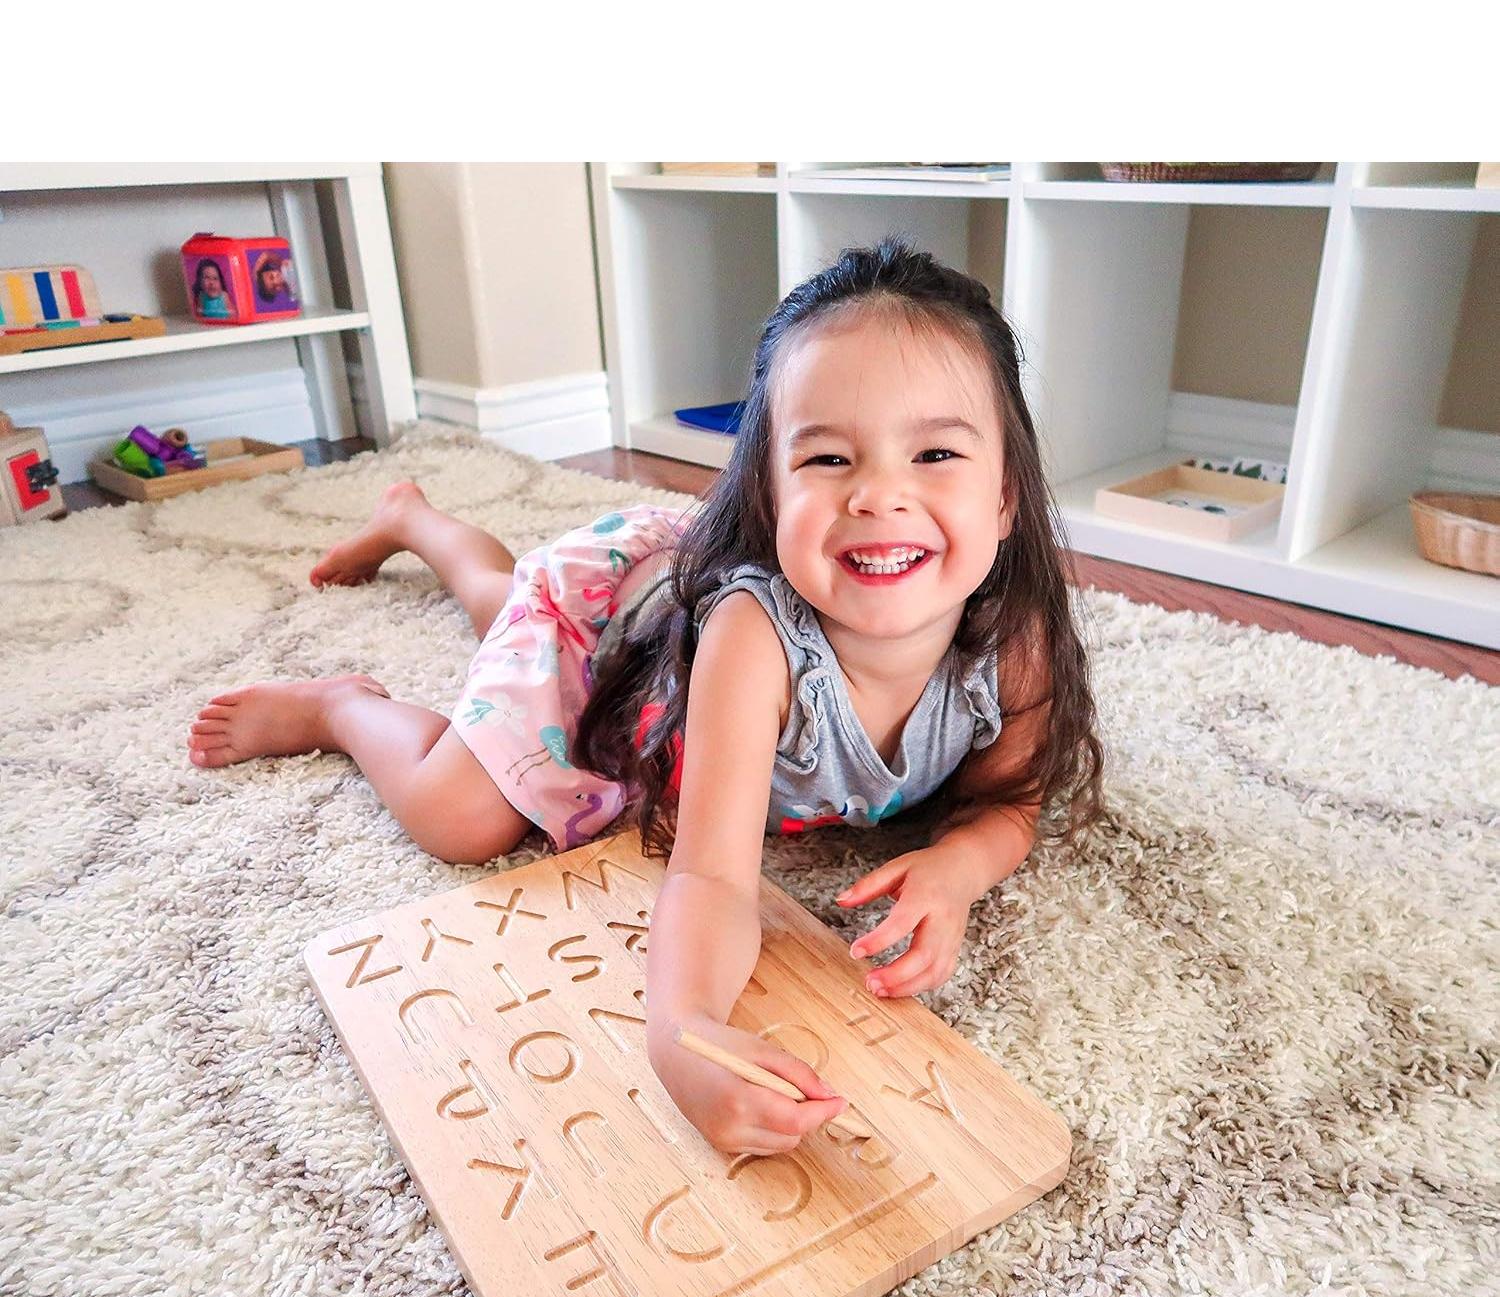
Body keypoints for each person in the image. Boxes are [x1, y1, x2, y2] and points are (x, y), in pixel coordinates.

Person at [186, 236, 1106, 1156]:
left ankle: (413, 519)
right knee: (460, 810)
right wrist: (682, 1029)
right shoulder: (757, 640)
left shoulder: (1012, 642)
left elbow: (1011, 803)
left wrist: (960, 867)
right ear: (767, 491)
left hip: (662, 610)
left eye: (936, 452)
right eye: (827, 461)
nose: (879, 497)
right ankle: (343, 706)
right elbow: (711, 873)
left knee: (499, 599)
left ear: (1006, 500)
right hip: (624, 637)